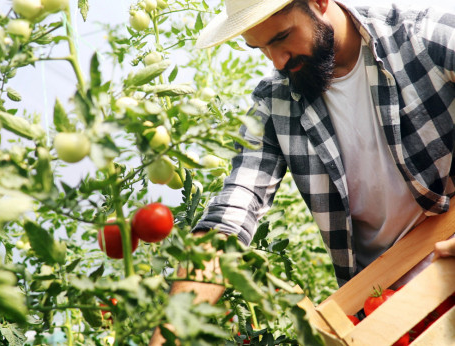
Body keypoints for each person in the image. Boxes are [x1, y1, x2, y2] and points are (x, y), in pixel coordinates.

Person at [150, 0, 455, 343]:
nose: (277, 61)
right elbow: (230, 217)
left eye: (282, 37)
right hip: (380, 310)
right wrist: (171, 332)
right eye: (260, 48)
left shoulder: (424, 37)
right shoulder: (276, 102)